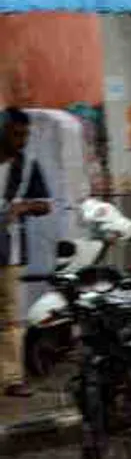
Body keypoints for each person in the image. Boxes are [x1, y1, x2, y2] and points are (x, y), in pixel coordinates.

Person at [0, 108, 52, 398]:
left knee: (10, 317)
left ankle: (11, 379)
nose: (22, 140)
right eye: (16, 134)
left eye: (25, 135)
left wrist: (23, 207)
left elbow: (46, 204)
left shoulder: (28, 164)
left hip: (11, 252)